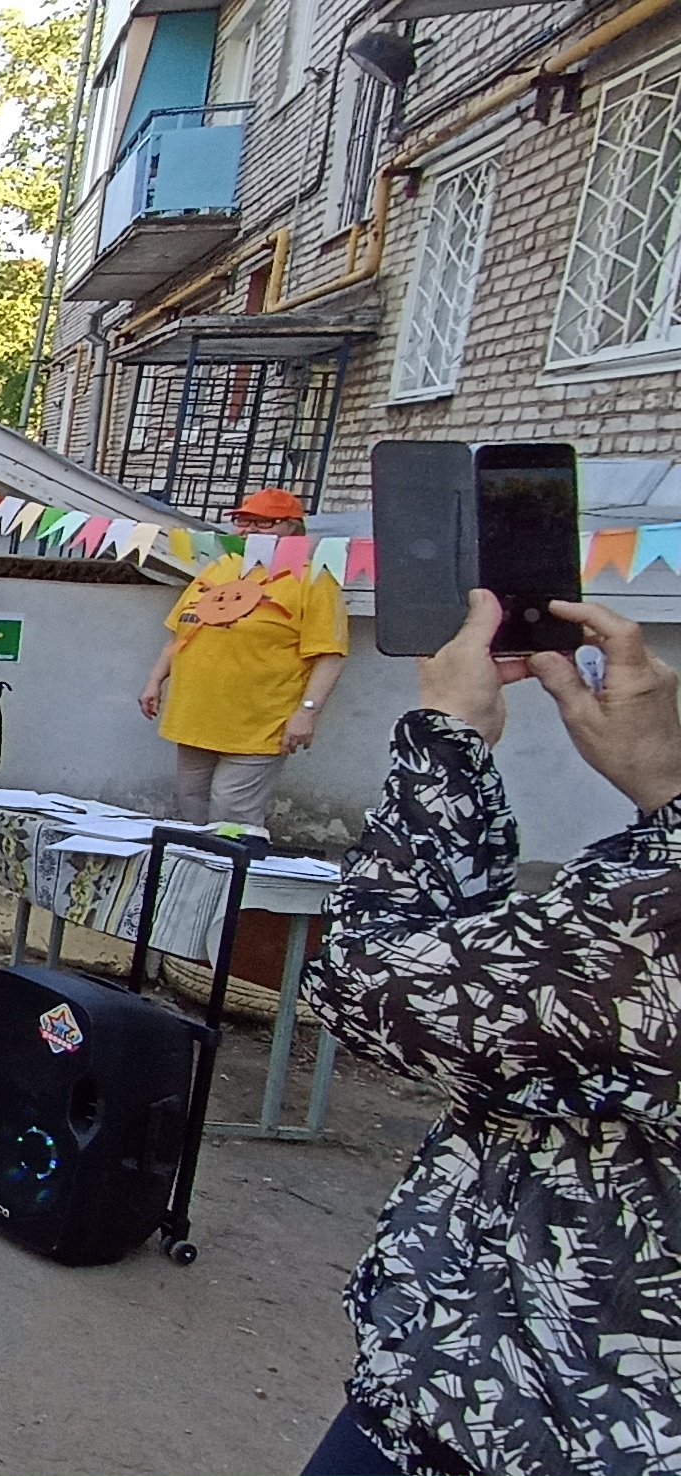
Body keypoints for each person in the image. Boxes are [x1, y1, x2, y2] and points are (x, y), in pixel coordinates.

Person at [291, 591, 681, 1476]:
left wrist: (449, 740)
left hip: (525, 1409)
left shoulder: (653, 927)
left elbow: (370, 983)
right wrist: (667, 793)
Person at [138, 488, 347, 828]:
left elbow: (330, 654)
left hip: (259, 722)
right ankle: (197, 864)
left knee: (232, 810)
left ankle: (234, 864)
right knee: (191, 803)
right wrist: (154, 680)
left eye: (263, 523)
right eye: (243, 521)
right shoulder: (222, 567)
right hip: (195, 715)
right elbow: (181, 629)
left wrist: (307, 713)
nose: (249, 530)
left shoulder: (314, 579)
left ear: (292, 528)